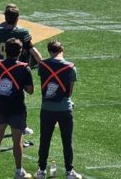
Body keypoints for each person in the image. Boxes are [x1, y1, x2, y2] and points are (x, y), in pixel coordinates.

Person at [0, 37, 35, 179]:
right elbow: (30, 90)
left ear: (5, 51)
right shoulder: (24, 68)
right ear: (20, 52)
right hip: (17, 109)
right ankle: (19, 171)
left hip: (1, 108)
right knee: (17, 142)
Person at [35, 40, 81, 179]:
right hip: (64, 108)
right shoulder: (70, 67)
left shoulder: (42, 65)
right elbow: (69, 92)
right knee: (67, 140)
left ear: (49, 51)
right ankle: (69, 171)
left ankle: (41, 170)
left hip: (47, 108)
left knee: (45, 139)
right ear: (62, 50)